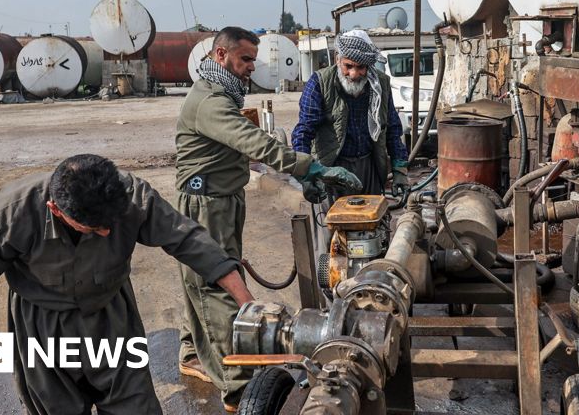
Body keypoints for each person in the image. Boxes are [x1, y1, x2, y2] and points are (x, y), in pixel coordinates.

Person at [0, 154, 250, 415]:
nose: (106, 233)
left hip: (112, 318)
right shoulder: (12, 212)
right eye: (93, 228)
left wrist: (247, 303)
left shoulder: (130, 194)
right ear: (55, 209)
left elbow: (188, 239)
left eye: (110, 224)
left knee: (136, 405)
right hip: (41, 327)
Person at [175, 26, 360, 411]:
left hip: (221, 200)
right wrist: (310, 167)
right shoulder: (210, 101)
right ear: (221, 55)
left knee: (209, 279)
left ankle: (193, 351)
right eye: (245, 59)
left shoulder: (221, 94)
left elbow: (244, 149)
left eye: (252, 60)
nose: (250, 67)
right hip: (207, 204)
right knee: (218, 287)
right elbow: (254, 143)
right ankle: (239, 388)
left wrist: (301, 173)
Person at [291, 29, 410, 203]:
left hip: (369, 165)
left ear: (368, 66)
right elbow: (304, 131)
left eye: (361, 67)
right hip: (331, 167)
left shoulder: (381, 84)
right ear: (337, 59)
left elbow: (392, 128)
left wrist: (400, 170)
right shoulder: (319, 83)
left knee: (371, 216)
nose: (354, 74)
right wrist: (305, 174)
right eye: (348, 66)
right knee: (335, 218)